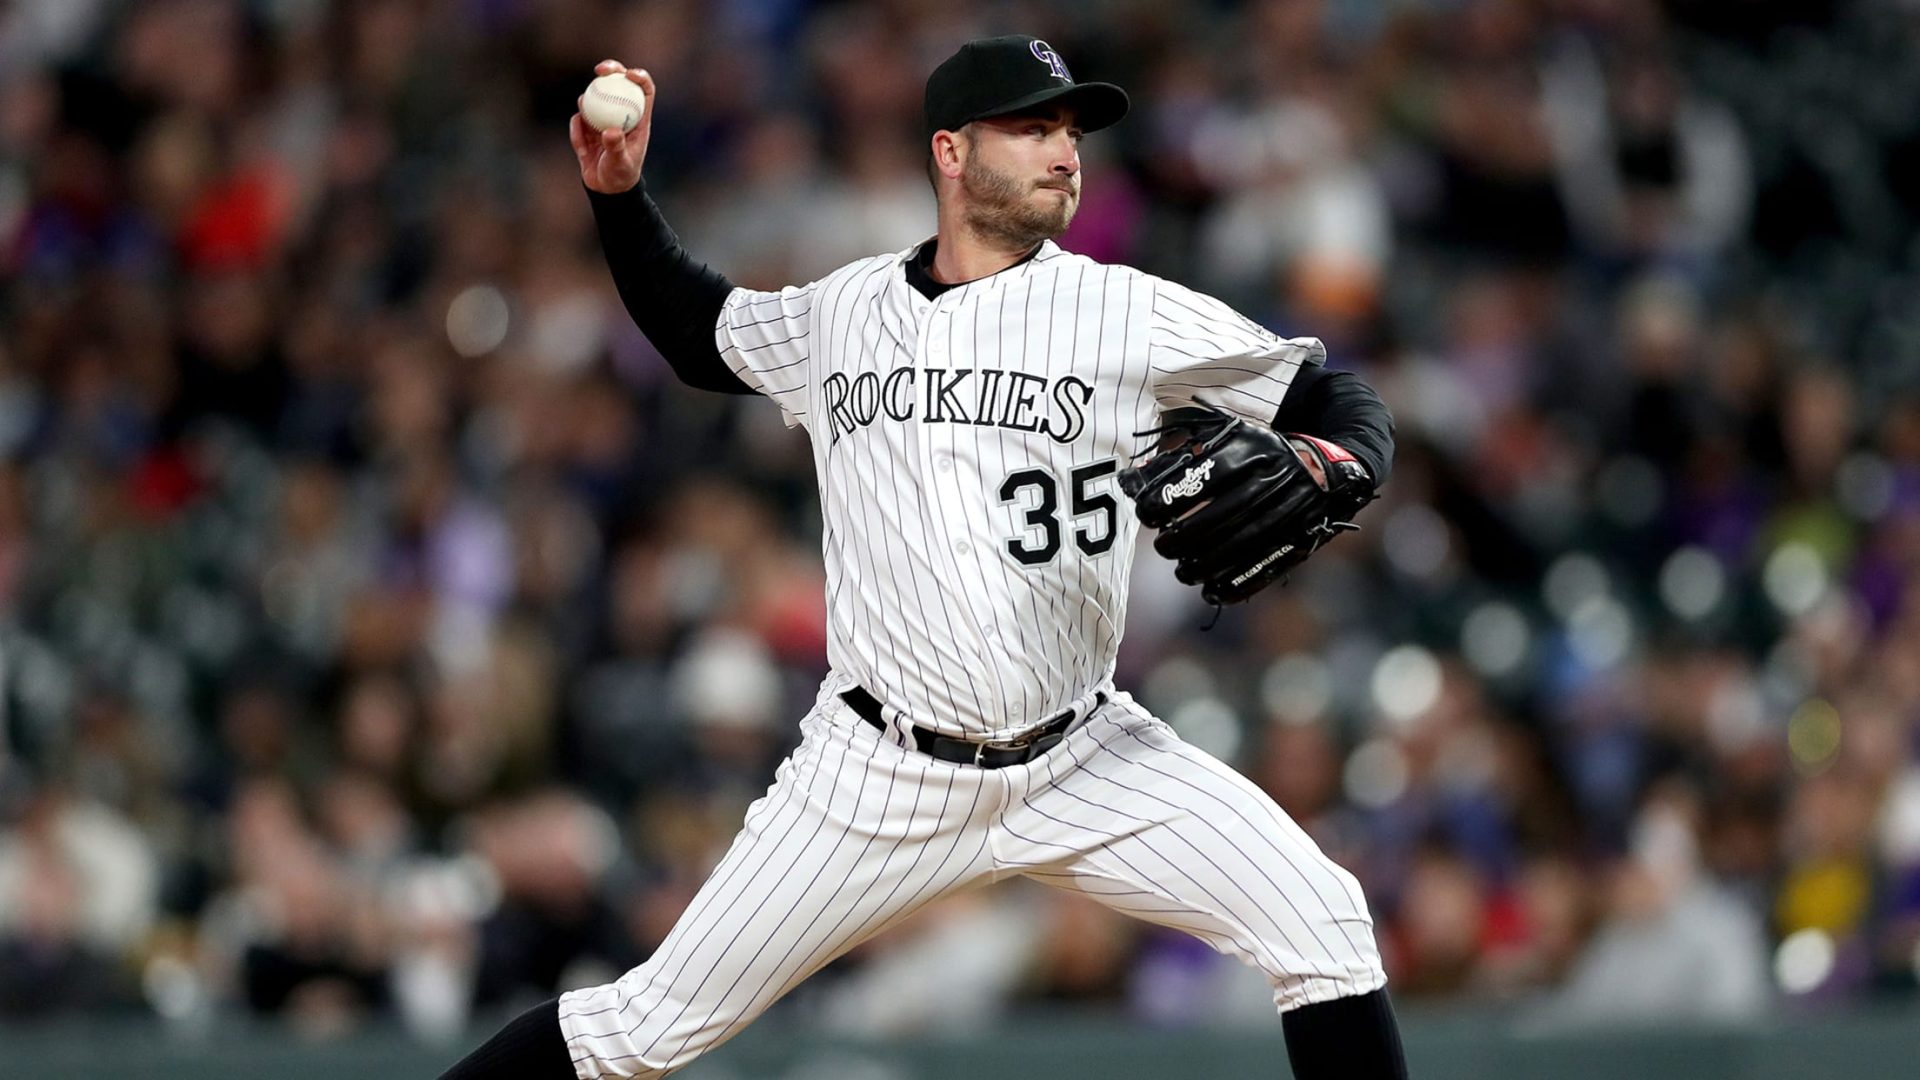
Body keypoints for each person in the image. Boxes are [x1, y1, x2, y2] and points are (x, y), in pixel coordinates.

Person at [441, 35, 1406, 1080]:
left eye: (1071, 132)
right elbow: (699, 329)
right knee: (640, 1029)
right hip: (875, 774)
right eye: (1032, 128)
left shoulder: (1124, 310)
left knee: (1324, 924)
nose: (1064, 152)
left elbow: (1331, 394)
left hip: (1084, 755)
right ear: (951, 152)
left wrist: (1337, 459)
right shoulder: (844, 312)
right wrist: (619, 198)